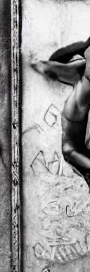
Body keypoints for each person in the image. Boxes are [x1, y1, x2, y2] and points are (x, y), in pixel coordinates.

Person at [35, 36, 90, 187]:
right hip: (73, 146)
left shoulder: (81, 70)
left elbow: (44, 66)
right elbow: (43, 66)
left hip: (76, 142)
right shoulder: (81, 68)